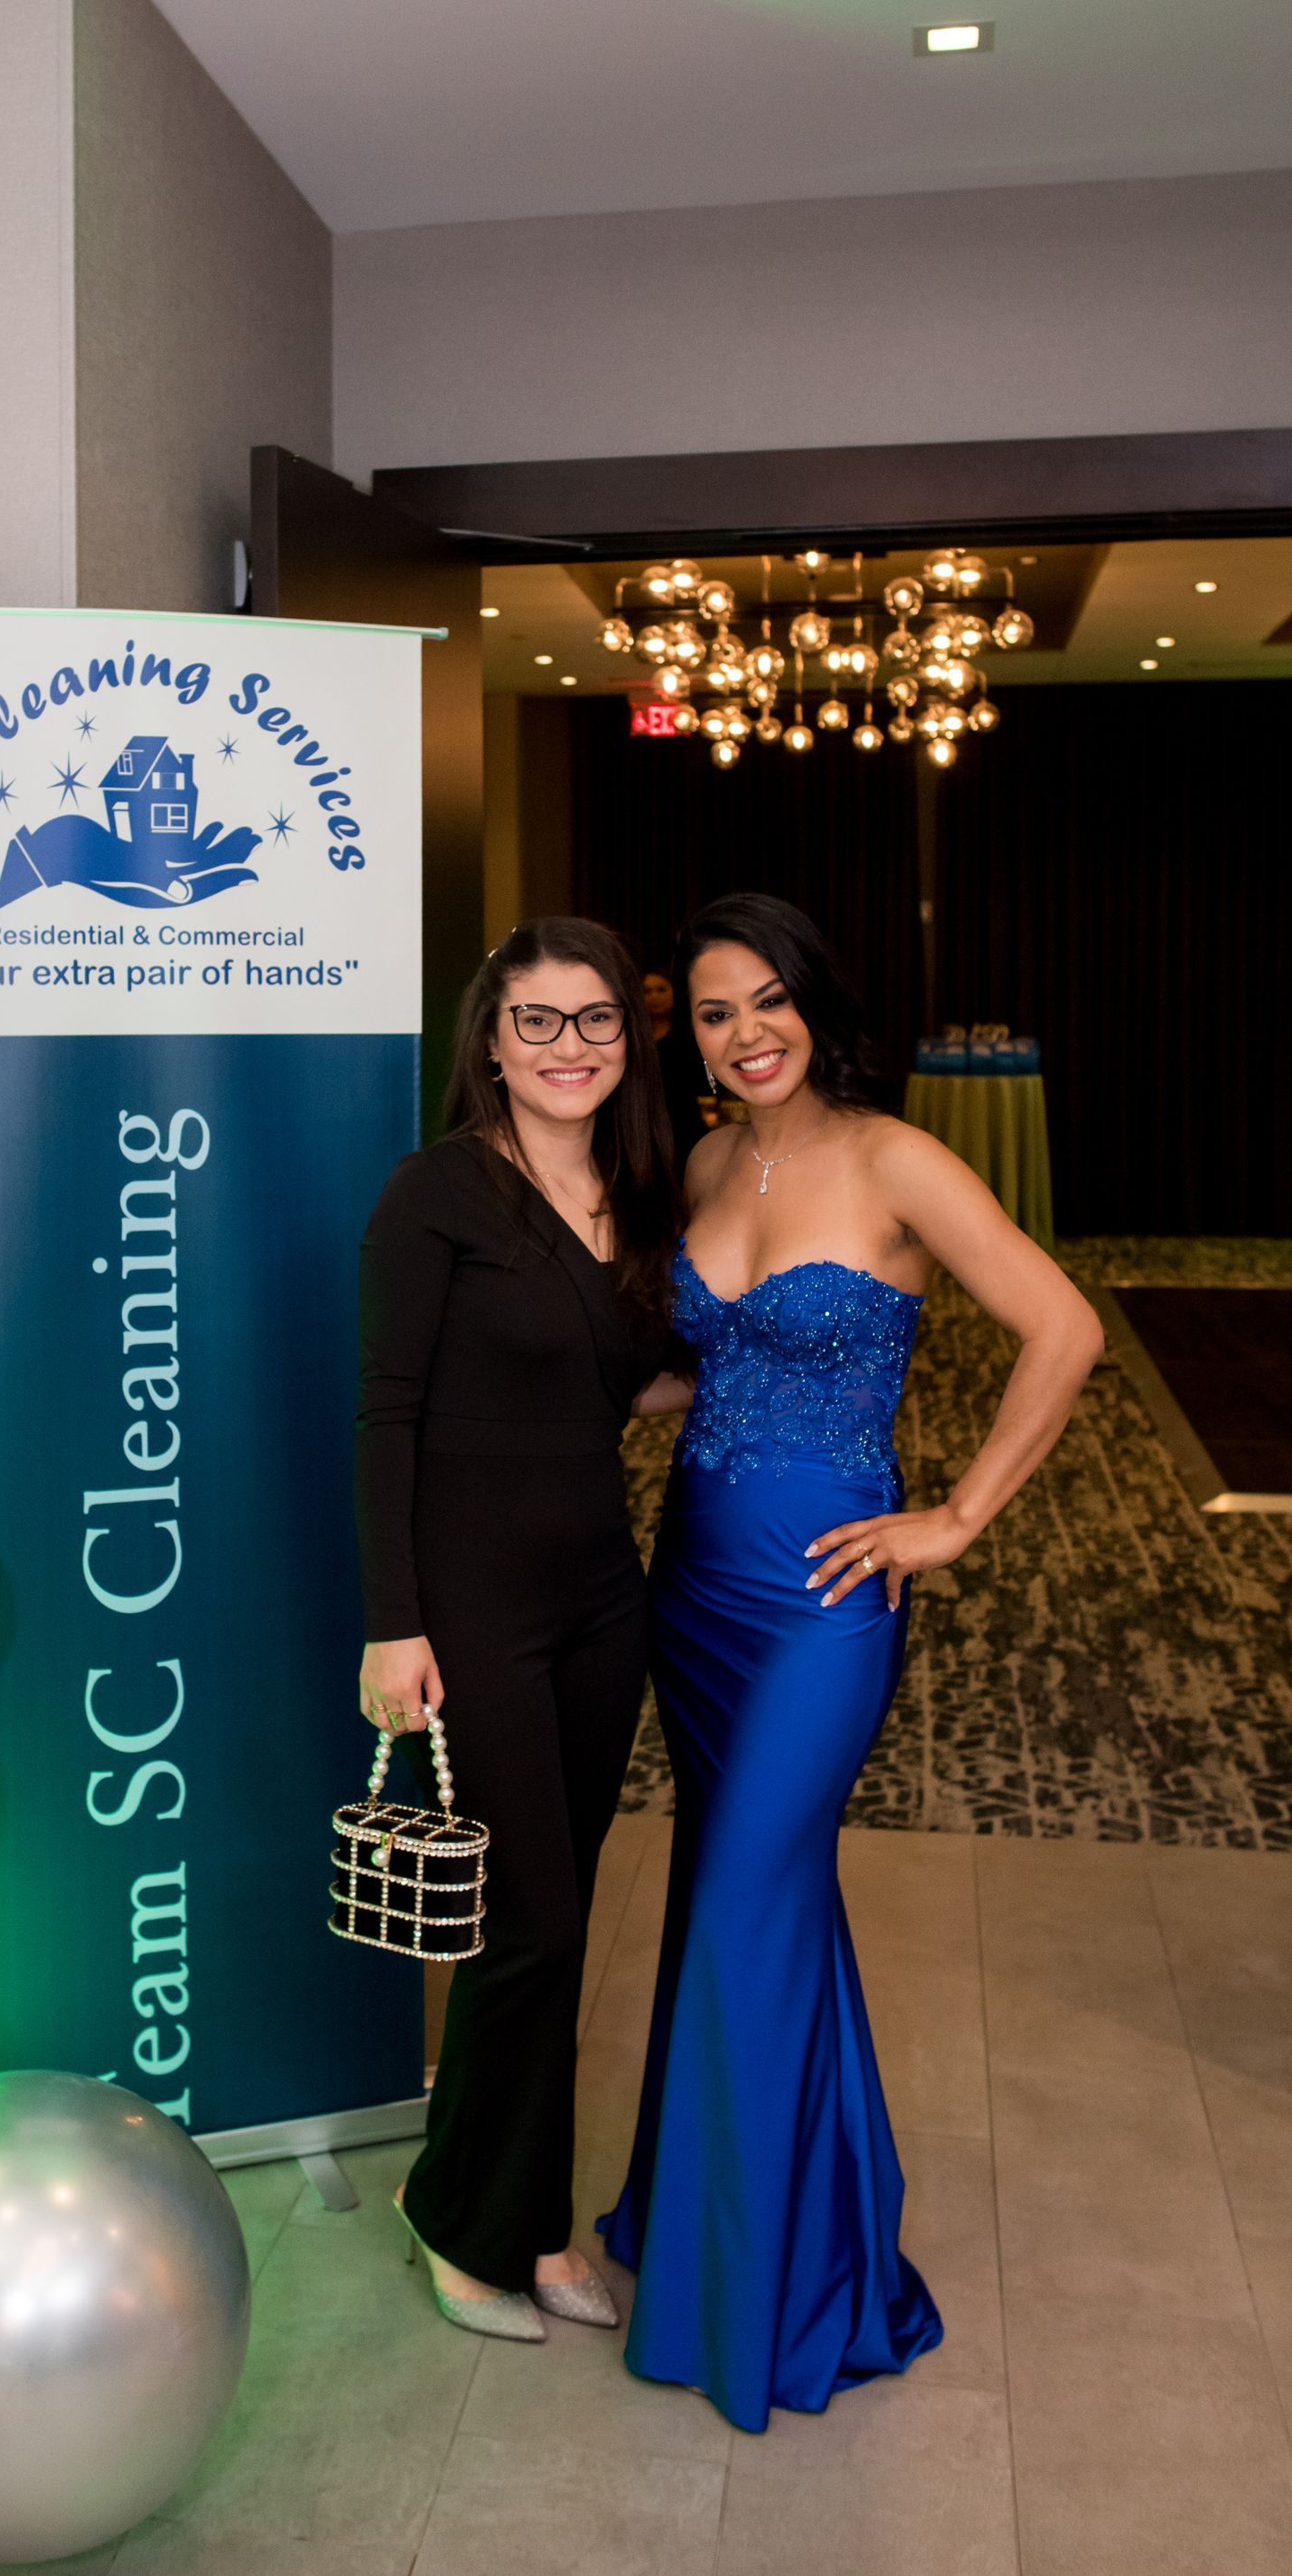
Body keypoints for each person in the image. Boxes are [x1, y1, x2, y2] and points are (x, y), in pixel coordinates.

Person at [601, 890, 1102, 2430]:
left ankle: (758, 2296)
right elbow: (704, 1369)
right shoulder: (704, 1165)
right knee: (741, 1901)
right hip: (696, 1584)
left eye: (770, 1000)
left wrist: (955, 1516)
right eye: (714, 1012)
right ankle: (743, 2229)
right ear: (689, 1036)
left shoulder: (897, 1160)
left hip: (827, 1596)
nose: (747, 1032)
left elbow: (1064, 1328)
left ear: (814, 1003)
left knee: (748, 1904)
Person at [355, 917, 682, 2342]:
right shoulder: (436, 1192)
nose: (568, 1046)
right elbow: (387, 1416)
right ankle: (458, 2213)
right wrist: (394, 1627)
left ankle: (535, 2221)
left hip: (602, 1600)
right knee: (526, 1929)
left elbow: (626, 1379)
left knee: (562, 1919)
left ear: (630, 1036)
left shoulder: (640, 1191)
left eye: (595, 1019)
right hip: (472, 1610)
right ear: (490, 1038)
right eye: (537, 1020)